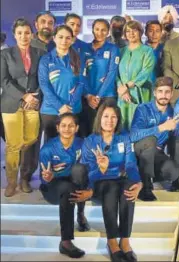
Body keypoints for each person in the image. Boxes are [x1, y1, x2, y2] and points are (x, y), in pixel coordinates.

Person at [81, 100, 142, 262]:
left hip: (120, 180)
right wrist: (102, 169)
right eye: (106, 116)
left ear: (118, 120)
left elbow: (130, 165)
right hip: (99, 184)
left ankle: (125, 240)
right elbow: (87, 174)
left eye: (113, 117)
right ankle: (112, 241)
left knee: (129, 186)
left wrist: (139, 183)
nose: (109, 120)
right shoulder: (90, 141)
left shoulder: (124, 138)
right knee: (111, 187)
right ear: (99, 118)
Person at [1, 18, 46, 196]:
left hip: (33, 104)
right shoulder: (5, 54)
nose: (23, 36)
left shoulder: (40, 53)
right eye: (19, 33)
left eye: (27, 32)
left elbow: (44, 79)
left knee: (30, 140)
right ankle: (12, 182)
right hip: (11, 104)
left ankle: (25, 177)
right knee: (13, 145)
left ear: (32, 34)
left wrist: (35, 96)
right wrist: (23, 95)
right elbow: (4, 81)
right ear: (14, 35)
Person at [39, 113, 91, 258]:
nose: (67, 129)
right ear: (57, 128)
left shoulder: (83, 144)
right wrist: (50, 176)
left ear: (76, 128)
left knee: (79, 170)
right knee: (68, 186)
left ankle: (80, 214)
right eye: (63, 125)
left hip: (75, 182)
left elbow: (88, 169)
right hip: (53, 189)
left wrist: (61, 171)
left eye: (71, 126)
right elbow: (44, 180)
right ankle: (66, 242)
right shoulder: (47, 149)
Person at [130, 77, 179, 201]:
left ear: (172, 94)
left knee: (172, 172)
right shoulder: (143, 109)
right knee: (150, 140)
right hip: (139, 149)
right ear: (154, 92)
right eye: (160, 91)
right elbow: (133, 135)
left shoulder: (174, 111)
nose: (163, 95)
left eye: (167, 92)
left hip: (157, 152)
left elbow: (177, 135)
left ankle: (147, 174)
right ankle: (146, 188)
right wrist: (160, 128)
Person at [38, 25, 86, 142]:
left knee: (72, 145)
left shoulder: (79, 58)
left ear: (72, 39)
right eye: (60, 37)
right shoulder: (46, 59)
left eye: (68, 38)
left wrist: (70, 106)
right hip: (51, 111)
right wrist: (59, 106)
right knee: (51, 147)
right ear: (54, 38)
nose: (64, 41)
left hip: (73, 109)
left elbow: (81, 83)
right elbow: (44, 85)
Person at [82, 19, 120, 137]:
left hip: (107, 96)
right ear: (92, 30)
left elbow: (112, 73)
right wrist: (88, 95)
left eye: (103, 30)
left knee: (106, 133)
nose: (100, 32)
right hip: (88, 98)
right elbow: (81, 74)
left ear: (108, 32)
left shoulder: (113, 49)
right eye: (97, 29)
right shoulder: (84, 48)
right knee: (88, 132)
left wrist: (98, 96)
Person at [117, 20, 155, 131]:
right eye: (128, 31)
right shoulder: (121, 51)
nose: (131, 33)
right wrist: (121, 88)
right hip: (123, 96)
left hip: (141, 94)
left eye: (134, 30)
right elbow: (115, 73)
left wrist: (127, 86)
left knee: (140, 125)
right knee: (123, 126)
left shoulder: (148, 51)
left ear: (140, 32)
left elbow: (146, 72)